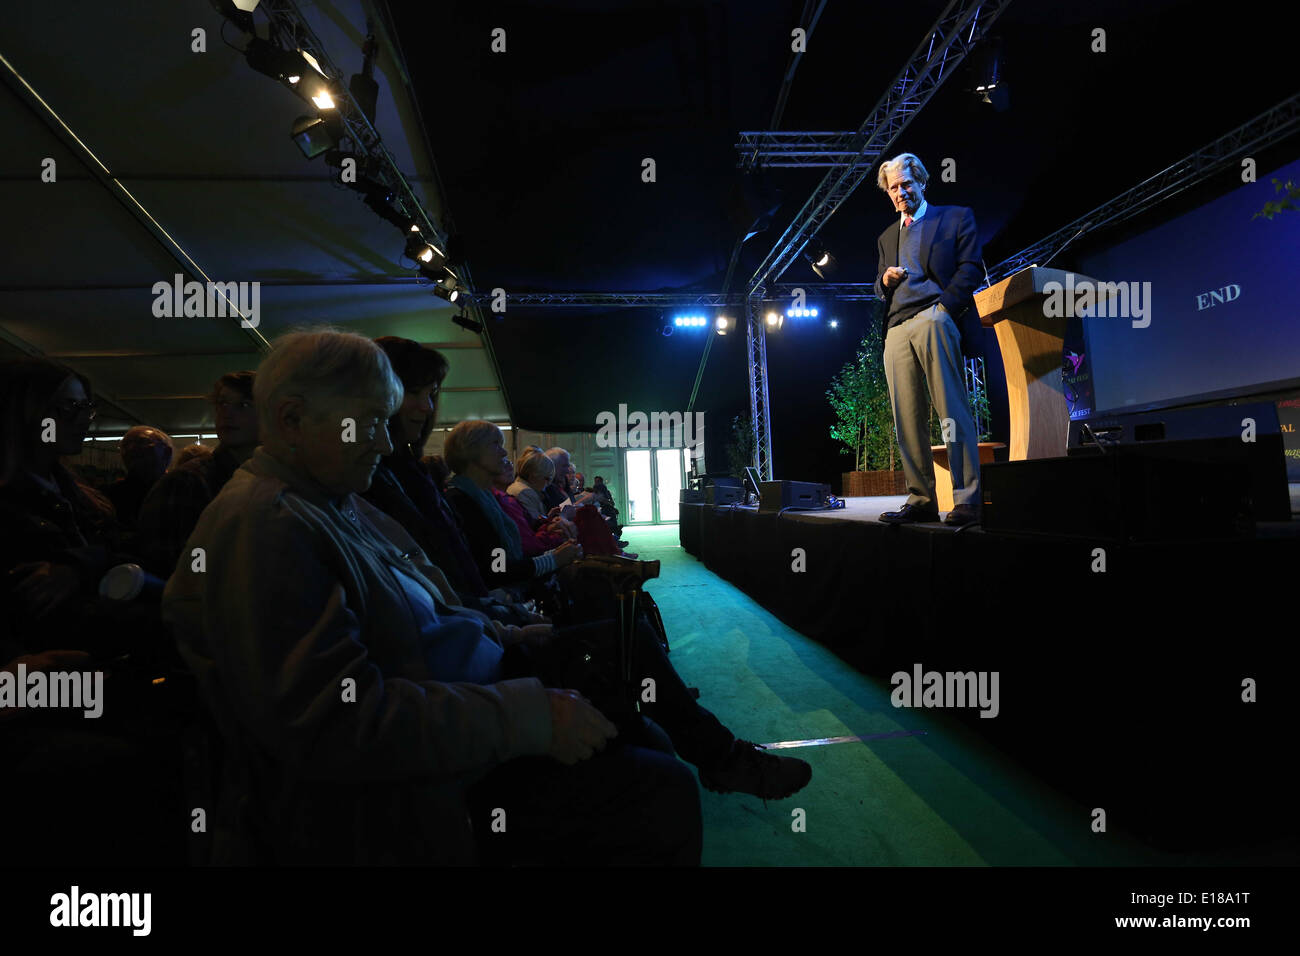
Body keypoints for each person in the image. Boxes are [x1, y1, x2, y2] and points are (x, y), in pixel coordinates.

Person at [161, 329, 702, 865]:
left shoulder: (329, 501)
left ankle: (713, 753)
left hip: (456, 719)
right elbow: (337, 725)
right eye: (370, 422)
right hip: (393, 804)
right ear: (291, 420)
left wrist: (508, 636)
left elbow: (433, 609)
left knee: (645, 737)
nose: (384, 440)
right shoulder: (267, 524)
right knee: (660, 792)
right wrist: (526, 718)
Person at [873, 152, 984, 527]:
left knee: (951, 410)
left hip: (933, 318)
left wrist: (944, 310)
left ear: (922, 182)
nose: (901, 192)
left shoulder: (954, 217)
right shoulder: (887, 237)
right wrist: (884, 281)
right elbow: (877, 287)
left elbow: (971, 268)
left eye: (906, 184)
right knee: (906, 419)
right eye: (894, 188)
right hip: (896, 328)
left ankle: (967, 498)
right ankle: (921, 499)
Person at [135, 371, 258, 576]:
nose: (227, 413)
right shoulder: (186, 483)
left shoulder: (276, 478)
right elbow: (182, 570)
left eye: (243, 405)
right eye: (222, 403)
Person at [105, 426, 173, 530]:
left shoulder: (178, 491)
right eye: (126, 444)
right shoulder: (108, 495)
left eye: (143, 442)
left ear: (167, 453)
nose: (131, 448)